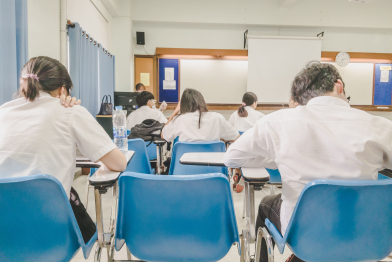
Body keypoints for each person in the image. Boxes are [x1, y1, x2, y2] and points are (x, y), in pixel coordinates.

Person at [224, 61, 392, 262]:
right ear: (339, 85)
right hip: (366, 233)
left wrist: (276, 158)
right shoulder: (380, 126)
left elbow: (232, 157)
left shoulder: (278, 121)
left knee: (267, 204)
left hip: (303, 235)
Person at [0, 56, 127, 243]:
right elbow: (119, 163)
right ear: (63, 89)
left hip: (5, 229)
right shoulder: (71, 111)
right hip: (50, 229)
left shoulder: (4, 111)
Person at [162, 88, 240, 142]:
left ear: (183, 105)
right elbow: (236, 137)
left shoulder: (180, 119)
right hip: (212, 165)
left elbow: (164, 136)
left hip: (186, 165)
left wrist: (175, 112)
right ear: (202, 101)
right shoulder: (217, 117)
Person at [228, 92, 265, 192]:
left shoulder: (234, 115)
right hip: (252, 152)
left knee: (239, 146)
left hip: (237, 152)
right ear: (254, 103)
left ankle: (237, 172)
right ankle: (246, 175)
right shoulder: (260, 116)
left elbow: (229, 133)